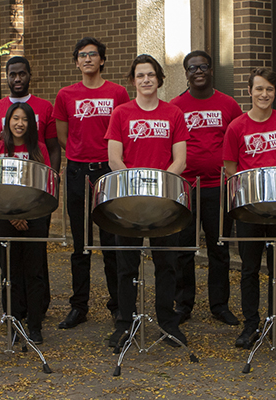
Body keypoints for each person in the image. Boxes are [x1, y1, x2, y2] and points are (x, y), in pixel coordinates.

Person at [104, 54, 190, 347]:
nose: (146, 80)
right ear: (133, 81)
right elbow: (114, 158)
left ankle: (168, 323)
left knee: (167, 264)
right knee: (126, 265)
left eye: (151, 75)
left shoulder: (173, 114)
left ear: (159, 79)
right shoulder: (121, 113)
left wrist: (158, 187)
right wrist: (136, 186)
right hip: (128, 201)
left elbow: (180, 159)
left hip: (163, 202)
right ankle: (124, 324)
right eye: (140, 75)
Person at [224, 68, 276, 349]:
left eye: (269, 89)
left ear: (275, 92)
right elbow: (232, 171)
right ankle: (250, 325)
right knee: (249, 269)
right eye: (259, 89)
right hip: (250, 209)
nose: (264, 94)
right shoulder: (236, 127)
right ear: (249, 91)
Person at [53, 37, 131, 329]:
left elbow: (122, 130)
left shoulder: (118, 92)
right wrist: (79, 154)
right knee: (80, 242)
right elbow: (63, 136)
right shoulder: (65, 95)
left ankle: (117, 305)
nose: (87, 59)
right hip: (77, 172)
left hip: (108, 172)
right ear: (76, 62)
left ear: (102, 60)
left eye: (93, 55)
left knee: (112, 241)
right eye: (82, 55)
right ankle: (78, 306)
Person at [169, 50, 241, 326]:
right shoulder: (175, 107)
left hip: (218, 187)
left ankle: (219, 305)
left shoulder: (229, 105)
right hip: (185, 187)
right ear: (186, 73)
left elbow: (236, 142)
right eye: (192, 67)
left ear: (211, 71)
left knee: (219, 249)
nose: (198, 71)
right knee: (183, 248)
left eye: (204, 66)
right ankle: (183, 304)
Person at [0, 102, 53, 344]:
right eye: (15, 118)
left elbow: (44, 188)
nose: (19, 123)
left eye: (24, 119)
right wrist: (12, 215)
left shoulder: (40, 150)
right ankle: (13, 323)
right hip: (5, 219)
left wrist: (26, 215)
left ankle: (34, 326)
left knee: (34, 274)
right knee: (10, 273)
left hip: (35, 218)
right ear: (7, 122)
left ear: (31, 124)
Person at [0, 56, 60, 169]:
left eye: (22, 74)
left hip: (36, 173)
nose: (17, 79)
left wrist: (53, 181)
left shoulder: (45, 107)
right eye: (12, 75)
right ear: (7, 77)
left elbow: (54, 149)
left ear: (29, 76)